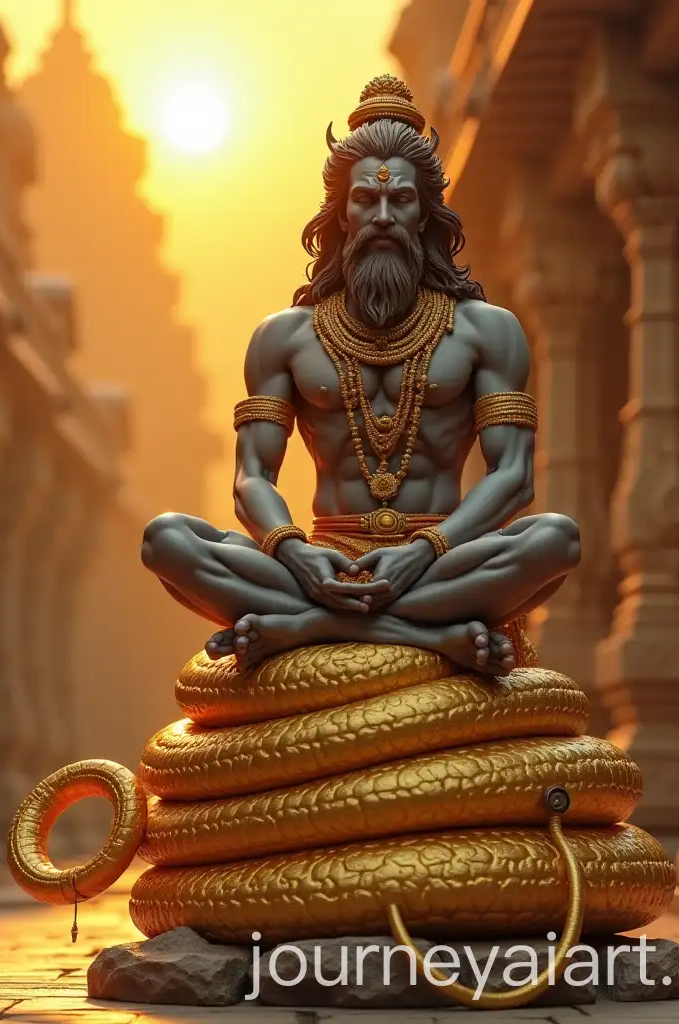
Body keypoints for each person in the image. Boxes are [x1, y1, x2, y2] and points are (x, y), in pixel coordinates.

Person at [140, 75, 580, 675]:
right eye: (364, 201)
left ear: (425, 212)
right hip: (326, 561)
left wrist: (424, 551)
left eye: (399, 200)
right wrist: (294, 552)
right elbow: (251, 477)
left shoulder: (486, 329)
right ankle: (430, 634)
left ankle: (304, 628)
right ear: (340, 213)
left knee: (556, 539)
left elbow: (514, 478)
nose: (381, 216)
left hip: (441, 556)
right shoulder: (286, 336)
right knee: (166, 540)